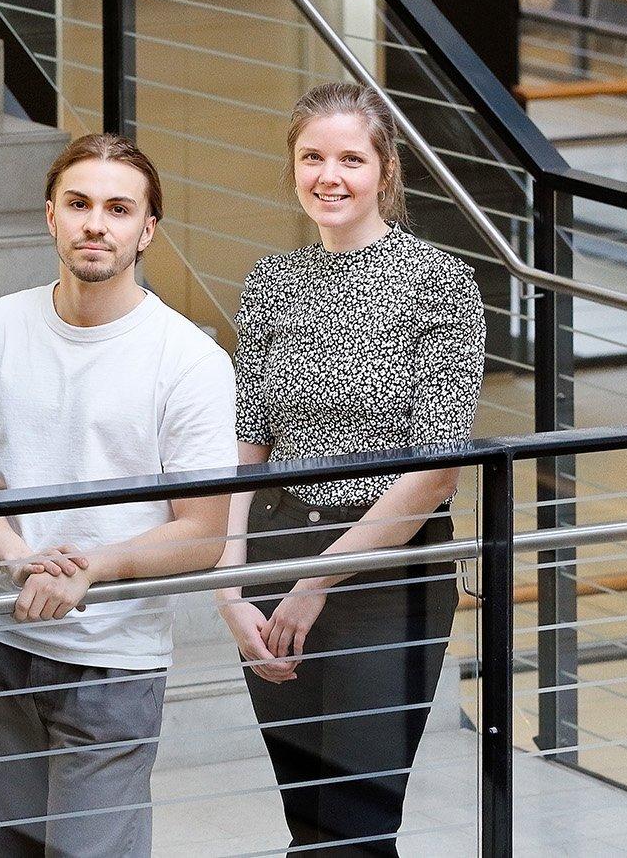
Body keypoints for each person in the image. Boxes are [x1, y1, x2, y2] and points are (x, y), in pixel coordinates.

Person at [218, 83, 485, 856]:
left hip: (385, 574)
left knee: (360, 832)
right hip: (274, 554)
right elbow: (249, 441)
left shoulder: (438, 282)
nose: (328, 175)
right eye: (311, 156)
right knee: (309, 829)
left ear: (386, 169)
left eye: (350, 158)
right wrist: (230, 584)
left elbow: (436, 471)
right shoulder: (271, 279)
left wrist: (314, 584)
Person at [0, 134, 236, 856]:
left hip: (113, 661)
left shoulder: (190, 359)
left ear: (146, 229)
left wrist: (92, 570)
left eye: (118, 208)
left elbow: (203, 532)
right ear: (50, 214)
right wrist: (19, 559)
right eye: (79, 203)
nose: (95, 223)